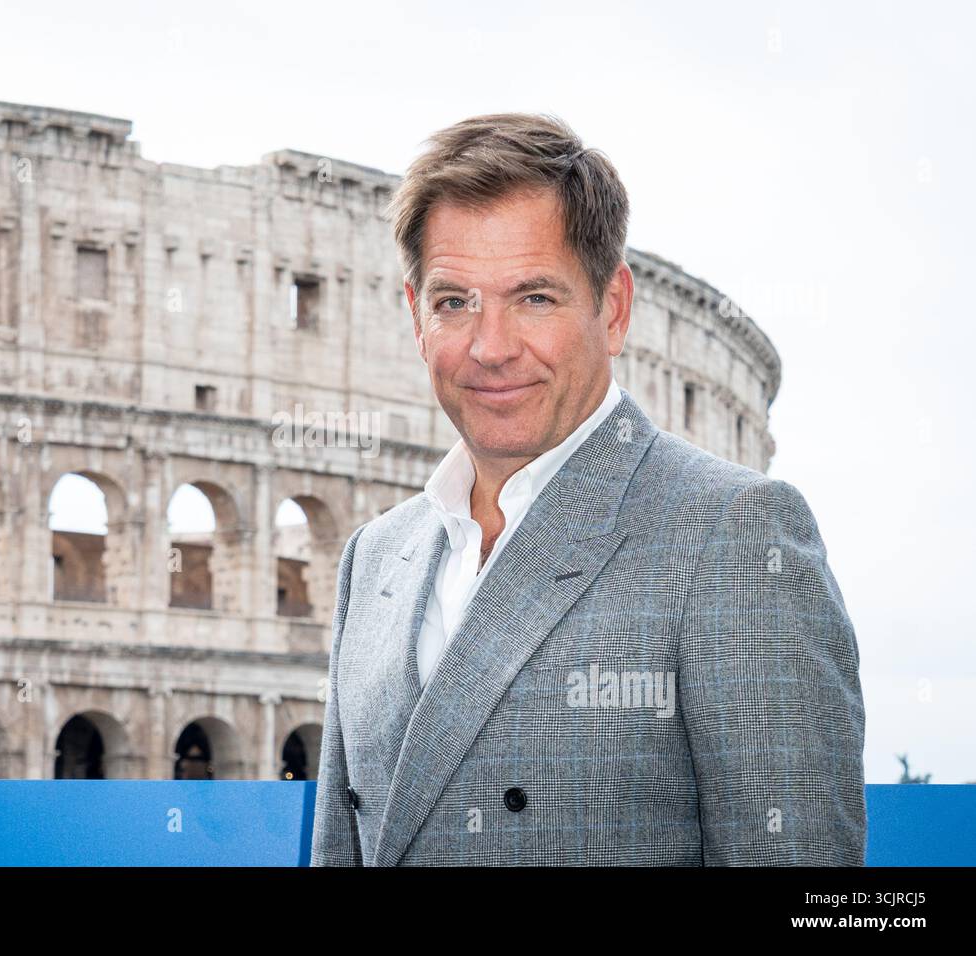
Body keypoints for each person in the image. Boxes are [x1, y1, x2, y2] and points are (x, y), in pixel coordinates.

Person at [310, 113, 866, 866]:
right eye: (454, 302)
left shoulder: (734, 533)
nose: (491, 347)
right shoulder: (374, 559)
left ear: (612, 308)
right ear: (416, 315)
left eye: (534, 298)